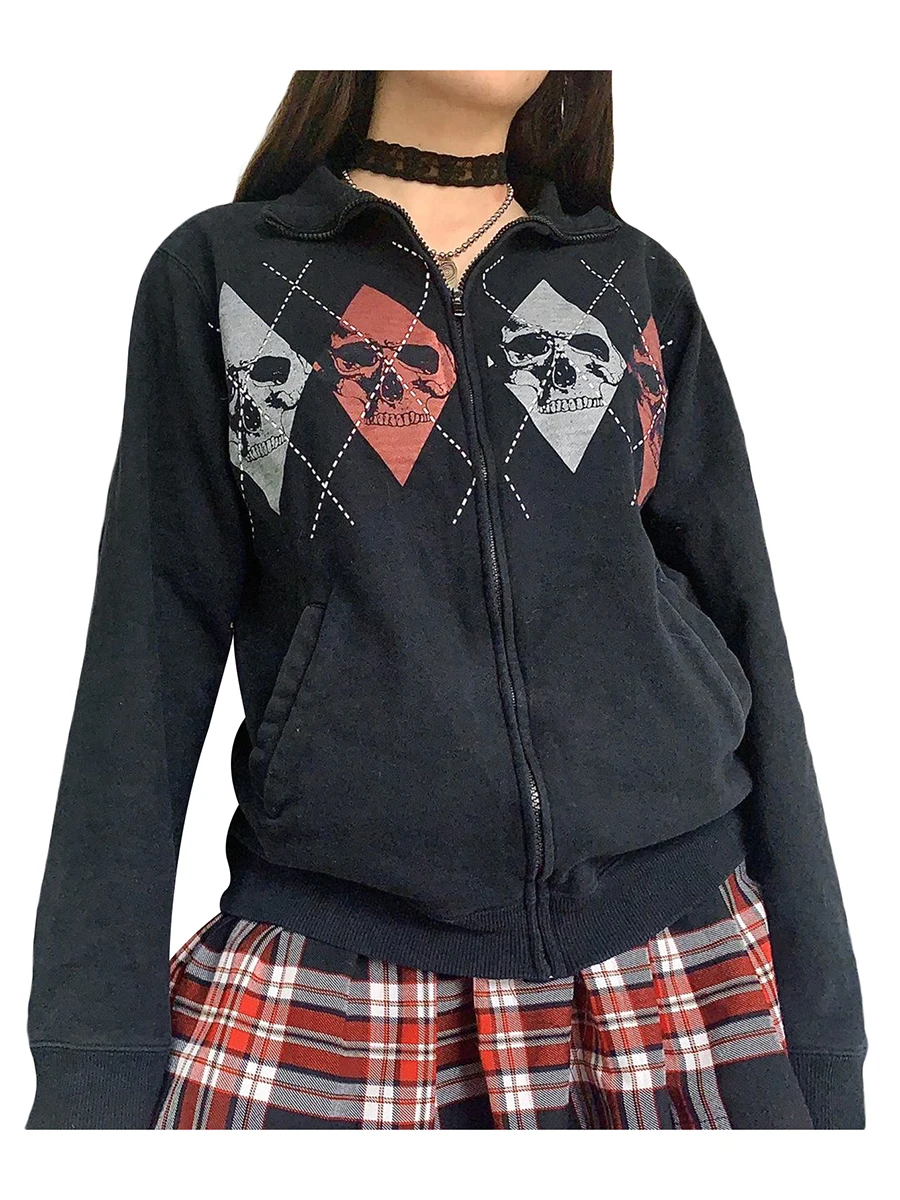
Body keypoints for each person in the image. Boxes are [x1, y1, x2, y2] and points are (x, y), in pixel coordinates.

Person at [25, 69, 867, 1130]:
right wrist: (92, 1061)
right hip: (344, 960)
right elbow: (143, 665)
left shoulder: (631, 281)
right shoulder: (229, 276)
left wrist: (825, 1027)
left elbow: (749, 622)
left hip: (679, 953)